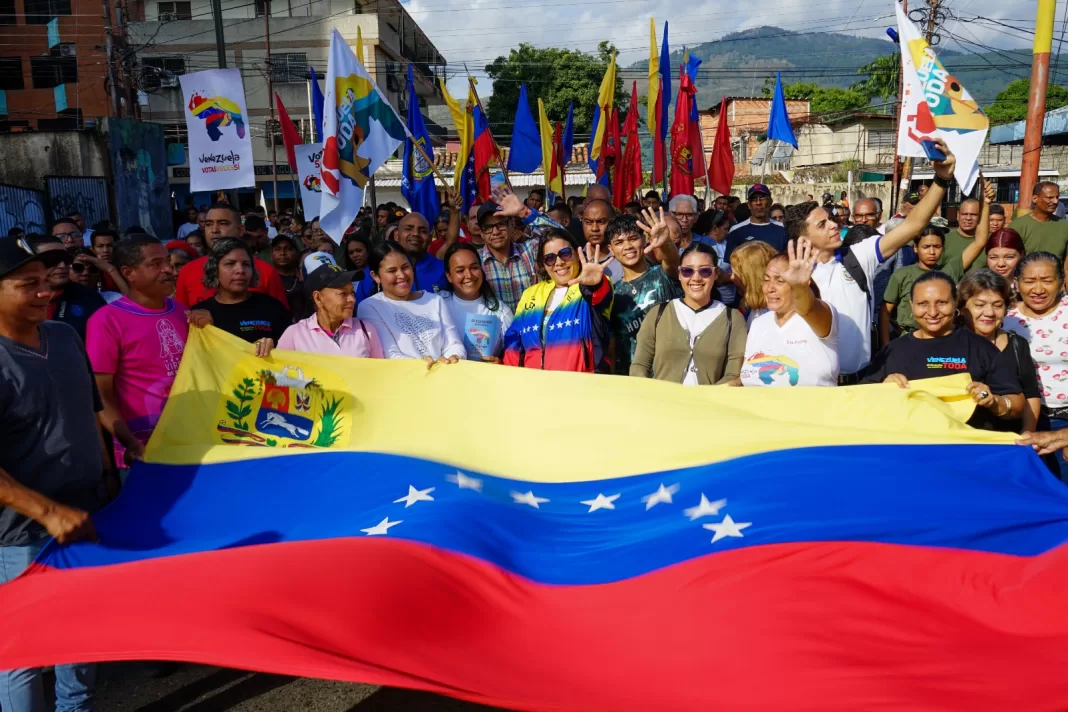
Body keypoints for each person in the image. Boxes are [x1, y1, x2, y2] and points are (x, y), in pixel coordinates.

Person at [0, 235, 104, 712]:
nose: (46, 292)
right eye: (29, 284)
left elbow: (89, 411)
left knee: (82, 632)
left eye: (47, 281)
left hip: (88, 512)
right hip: (22, 534)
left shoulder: (63, 337)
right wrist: (47, 513)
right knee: (24, 649)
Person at [786, 137, 956, 383]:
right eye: (823, 224)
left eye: (831, 218)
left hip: (861, 380)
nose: (835, 225)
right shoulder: (789, 274)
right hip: (812, 385)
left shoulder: (856, 257)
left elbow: (913, 225)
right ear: (802, 237)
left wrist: (941, 179)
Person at [86, 235, 199, 470]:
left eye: (168, 261)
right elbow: (100, 396)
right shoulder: (106, 321)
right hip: (143, 453)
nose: (168, 269)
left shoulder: (183, 312)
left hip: (193, 444)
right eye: (156, 264)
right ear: (129, 273)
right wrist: (132, 444)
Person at [863, 271, 1024, 430]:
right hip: (910, 448)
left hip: (967, 449)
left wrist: (993, 401)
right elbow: (860, 399)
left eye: (942, 303)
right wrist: (882, 389)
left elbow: (1017, 405)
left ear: (955, 303)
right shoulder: (893, 350)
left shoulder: (980, 348)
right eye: (923, 304)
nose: (932, 312)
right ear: (912, 305)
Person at [630, 242, 746, 384]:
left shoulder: (733, 319)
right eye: (687, 271)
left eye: (704, 271)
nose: (696, 278)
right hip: (661, 403)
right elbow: (640, 365)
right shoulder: (658, 313)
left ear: (715, 274)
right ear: (679, 274)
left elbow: (733, 374)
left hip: (709, 404)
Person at [504, 230, 613, 372]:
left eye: (565, 253)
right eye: (550, 258)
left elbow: (600, 297)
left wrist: (595, 284)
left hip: (582, 388)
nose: (559, 262)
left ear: (577, 254)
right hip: (534, 387)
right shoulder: (530, 294)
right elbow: (513, 342)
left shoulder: (591, 287)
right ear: (543, 264)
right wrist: (512, 377)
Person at [738, 239, 838, 387]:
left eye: (780, 281)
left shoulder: (820, 318)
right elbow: (750, 377)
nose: (770, 288)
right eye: (766, 280)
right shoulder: (758, 323)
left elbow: (808, 308)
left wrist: (800, 287)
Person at [1003, 252, 1068, 479]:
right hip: (1022, 421)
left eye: (1047, 281)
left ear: (1061, 281)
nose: (1038, 289)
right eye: (1029, 281)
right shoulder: (1005, 319)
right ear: (1016, 283)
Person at [880, 218, 990, 346]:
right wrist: (886, 345)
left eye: (937, 246)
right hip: (910, 341)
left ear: (943, 248)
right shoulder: (902, 274)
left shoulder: (949, 270)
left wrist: (986, 203)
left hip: (945, 341)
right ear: (915, 248)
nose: (932, 252)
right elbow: (885, 312)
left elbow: (980, 242)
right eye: (926, 247)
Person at [957, 269, 1041, 435]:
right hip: (964, 441)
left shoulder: (1017, 344)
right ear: (962, 306)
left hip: (1009, 440)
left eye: (997, 305)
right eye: (979, 305)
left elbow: (1031, 393)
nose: (989, 313)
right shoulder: (951, 343)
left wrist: (1028, 432)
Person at [356, 242, 465, 366]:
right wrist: (423, 366)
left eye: (405, 267)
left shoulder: (435, 301)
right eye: (392, 271)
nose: (402, 275)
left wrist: (454, 357)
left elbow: (454, 344)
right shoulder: (370, 306)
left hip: (444, 376)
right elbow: (389, 353)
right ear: (375, 276)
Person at [606, 209, 682, 375]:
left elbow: (672, 262)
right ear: (610, 249)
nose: (628, 246)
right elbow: (613, 345)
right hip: (636, 378)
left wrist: (666, 242)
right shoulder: (613, 293)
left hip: (674, 372)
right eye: (619, 242)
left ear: (644, 239)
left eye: (633, 239)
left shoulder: (662, 274)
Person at [174, 203, 289, 309]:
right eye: (208, 224)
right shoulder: (187, 272)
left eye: (223, 223)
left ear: (240, 229)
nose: (214, 230)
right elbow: (182, 322)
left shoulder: (266, 272)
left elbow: (281, 320)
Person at [192, 238, 291, 355]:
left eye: (246, 264)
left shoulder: (272, 307)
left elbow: (292, 353)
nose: (240, 270)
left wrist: (275, 346)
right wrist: (208, 330)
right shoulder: (200, 313)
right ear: (214, 270)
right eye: (230, 264)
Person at [478, 186, 562, 312]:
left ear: (512, 224)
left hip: (532, 328)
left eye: (501, 224)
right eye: (488, 227)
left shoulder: (531, 250)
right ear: (481, 232)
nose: (495, 232)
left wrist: (524, 212)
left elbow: (561, 237)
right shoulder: (475, 262)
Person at [277, 264, 384, 358]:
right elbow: (279, 374)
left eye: (352, 292)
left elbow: (379, 373)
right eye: (343, 294)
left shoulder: (366, 330)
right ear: (318, 298)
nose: (352, 299)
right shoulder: (295, 334)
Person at [440, 243, 513, 362]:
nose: (468, 275)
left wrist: (501, 363)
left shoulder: (501, 312)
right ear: (449, 276)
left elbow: (513, 355)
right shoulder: (438, 305)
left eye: (474, 268)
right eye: (460, 270)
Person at [27, 235, 106, 342]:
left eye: (65, 259)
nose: (62, 265)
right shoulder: (14, 298)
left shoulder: (90, 298)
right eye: (52, 260)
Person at [724, 184, 787, 262]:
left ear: (770, 202)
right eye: (754, 199)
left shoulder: (781, 229)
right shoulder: (736, 231)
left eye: (762, 198)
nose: (758, 202)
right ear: (749, 205)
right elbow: (730, 263)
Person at [1011, 181, 1068, 264]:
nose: (1055, 201)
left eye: (1057, 197)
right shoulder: (1018, 226)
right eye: (1050, 197)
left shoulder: (1064, 226)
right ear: (1035, 198)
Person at [943, 184, 996, 270]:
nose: (968, 218)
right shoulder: (944, 240)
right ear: (958, 215)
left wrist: (986, 202)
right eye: (964, 214)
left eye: (973, 215)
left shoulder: (991, 241)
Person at [731, 240, 778, 327]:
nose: (732, 278)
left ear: (752, 278)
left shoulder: (777, 315)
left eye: (736, 274)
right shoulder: (748, 305)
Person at [580, 198, 622, 283]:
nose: (594, 228)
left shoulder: (625, 257)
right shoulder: (574, 260)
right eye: (588, 222)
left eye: (601, 222)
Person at [985, 228, 1025, 300]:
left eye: (1009, 257)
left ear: (1021, 255)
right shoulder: (976, 288)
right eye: (993, 257)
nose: (1001, 264)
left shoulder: (1030, 289)